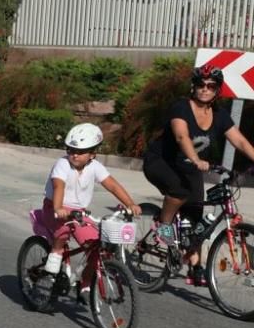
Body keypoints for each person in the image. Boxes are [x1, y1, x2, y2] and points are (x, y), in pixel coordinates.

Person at [142, 64, 254, 285]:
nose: (205, 89)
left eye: (211, 86)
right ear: (193, 87)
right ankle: (164, 227)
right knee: (179, 192)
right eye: (201, 84)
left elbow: (239, 140)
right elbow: (182, 136)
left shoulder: (220, 115)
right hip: (160, 162)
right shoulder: (181, 108)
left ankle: (195, 267)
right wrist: (195, 159)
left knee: (195, 218)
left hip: (189, 168)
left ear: (217, 90)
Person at [41, 124, 142, 299]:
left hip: (79, 212)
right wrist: (59, 208)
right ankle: (54, 258)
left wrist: (130, 204)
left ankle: (85, 282)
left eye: (80, 152)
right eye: (71, 150)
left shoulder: (95, 167)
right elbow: (59, 185)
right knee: (62, 231)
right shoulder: (62, 164)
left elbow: (112, 185)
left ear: (92, 154)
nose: (74, 154)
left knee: (95, 245)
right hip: (55, 208)